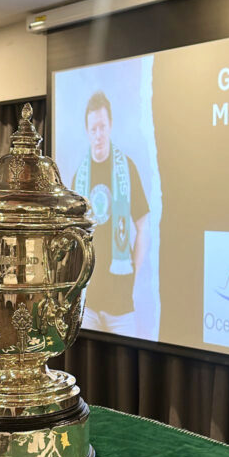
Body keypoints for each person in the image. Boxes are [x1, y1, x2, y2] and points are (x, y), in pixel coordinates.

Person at [74, 90, 150, 335]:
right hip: (88, 300)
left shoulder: (126, 168)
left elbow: (143, 226)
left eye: (102, 127)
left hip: (120, 300)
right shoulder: (79, 177)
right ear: (87, 131)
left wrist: (132, 278)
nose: (98, 135)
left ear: (110, 126)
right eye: (93, 129)